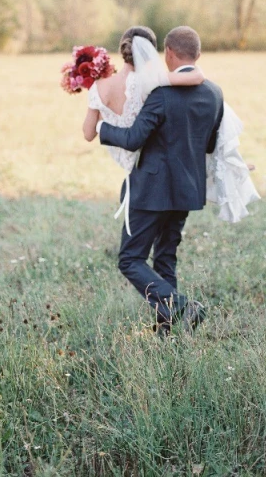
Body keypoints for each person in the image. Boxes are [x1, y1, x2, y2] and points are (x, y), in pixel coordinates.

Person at [93, 26, 225, 335]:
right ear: (198, 55)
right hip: (188, 190)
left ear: (167, 53)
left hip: (151, 189)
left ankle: (181, 306)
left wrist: (103, 129)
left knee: (130, 259)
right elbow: (208, 145)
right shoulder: (215, 93)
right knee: (165, 257)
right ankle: (169, 329)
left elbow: (133, 138)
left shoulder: (161, 95)